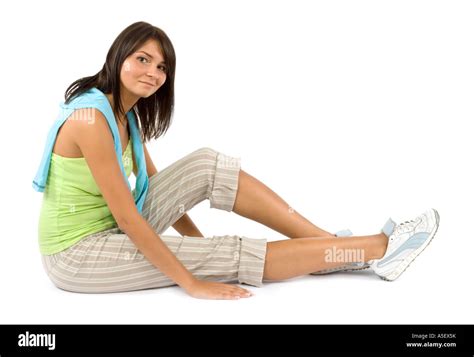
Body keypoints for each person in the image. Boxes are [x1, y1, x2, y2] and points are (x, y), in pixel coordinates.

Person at [33, 21, 440, 300]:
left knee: (205, 163)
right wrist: (192, 280)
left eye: (161, 67)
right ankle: (377, 248)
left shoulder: (124, 113)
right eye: (142, 59)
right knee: (225, 252)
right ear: (118, 56)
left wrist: (194, 243)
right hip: (77, 255)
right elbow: (127, 218)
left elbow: (157, 190)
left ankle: (329, 246)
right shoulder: (90, 119)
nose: (153, 73)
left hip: (110, 226)